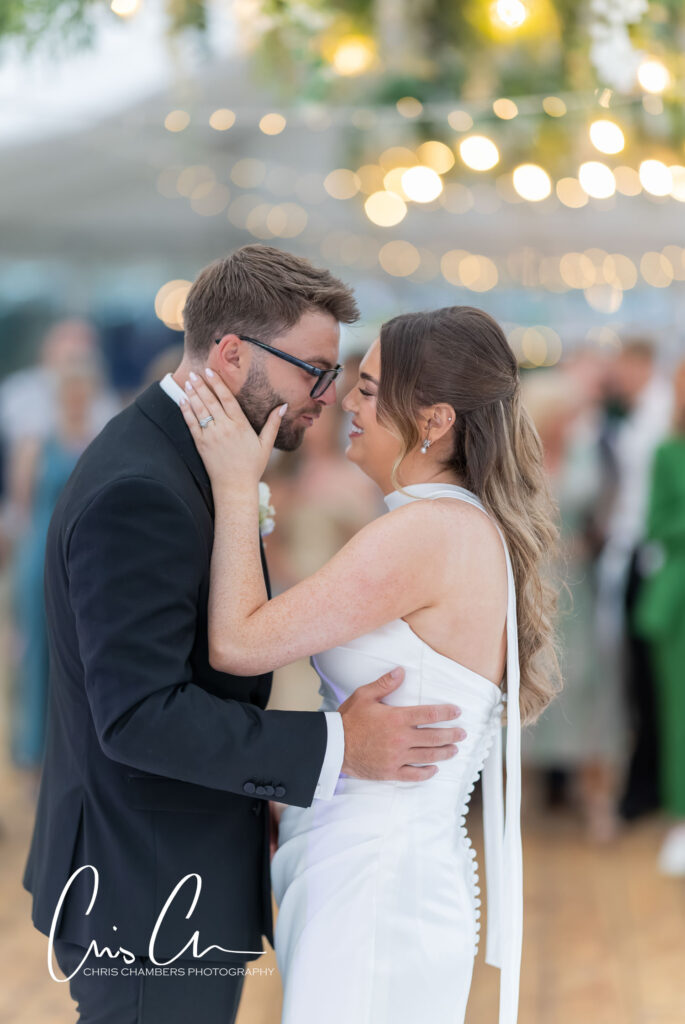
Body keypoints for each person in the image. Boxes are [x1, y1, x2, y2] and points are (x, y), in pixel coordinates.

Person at [21, 245, 467, 1024]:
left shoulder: (180, 462)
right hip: (145, 881)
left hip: (167, 863)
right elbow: (137, 716)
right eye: (314, 372)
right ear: (232, 355)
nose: (326, 396)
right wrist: (336, 747)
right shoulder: (143, 489)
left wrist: (254, 790)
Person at [179, 304, 561, 1024]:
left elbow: (238, 641)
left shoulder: (427, 532)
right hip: (371, 869)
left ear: (433, 419)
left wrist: (235, 488)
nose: (342, 401)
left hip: (377, 882)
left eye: (367, 386)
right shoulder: (444, 523)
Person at [633, 358, 685, 875]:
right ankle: (680, 818)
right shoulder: (669, 452)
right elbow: (658, 524)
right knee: (679, 715)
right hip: (679, 600)